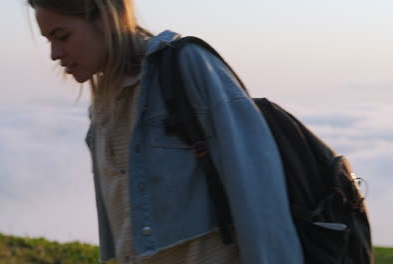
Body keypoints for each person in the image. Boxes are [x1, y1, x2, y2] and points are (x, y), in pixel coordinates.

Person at [28, 0, 304, 263]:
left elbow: (262, 202)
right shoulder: (102, 109)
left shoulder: (187, 67)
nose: (54, 53)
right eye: (49, 40)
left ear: (104, 19)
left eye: (62, 36)